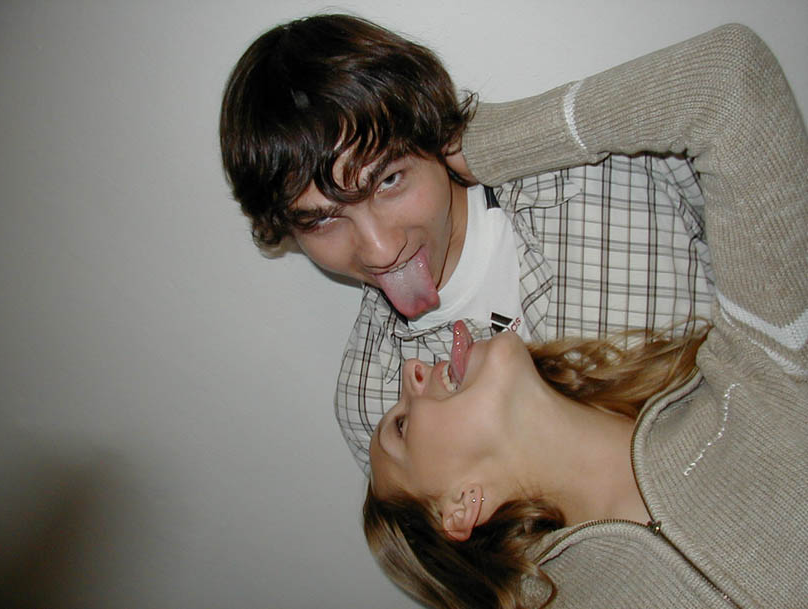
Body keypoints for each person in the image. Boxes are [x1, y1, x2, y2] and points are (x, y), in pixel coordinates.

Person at [364, 23, 807, 609]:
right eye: (400, 426)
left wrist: (475, 150)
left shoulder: (761, 369)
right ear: (461, 507)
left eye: (387, 180)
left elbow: (730, 81)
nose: (410, 372)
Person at [219, 14, 713, 472]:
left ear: (431, 137)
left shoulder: (614, 171)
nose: (379, 250)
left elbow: (723, 97)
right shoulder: (378, 408)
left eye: (388, 181)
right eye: (323, 220)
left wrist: (494, 137)